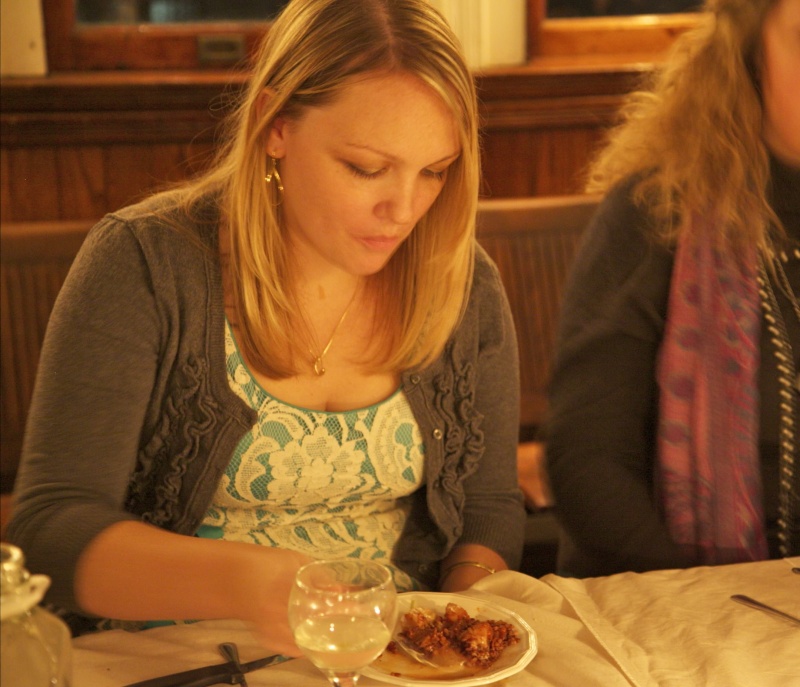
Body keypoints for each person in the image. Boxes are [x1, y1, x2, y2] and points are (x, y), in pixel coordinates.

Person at [5, 0, 525, 653]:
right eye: (366, 168)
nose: (403, 209)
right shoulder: (145, 262)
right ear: (274, 125)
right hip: (178, 653)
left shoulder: (460, 279)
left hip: (389, 653)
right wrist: (248, 583)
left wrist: (460, 629)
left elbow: (488, 507)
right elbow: (52, 529)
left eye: (434, 172)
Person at [546, 0, 799, 577]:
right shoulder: (656, 214)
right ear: (751, 50)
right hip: (686, 598)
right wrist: (708, 601)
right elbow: (588, 461)